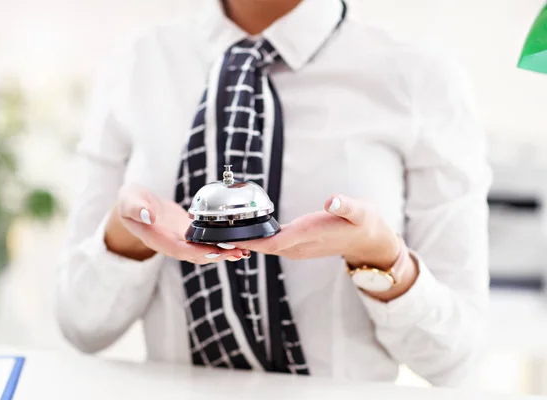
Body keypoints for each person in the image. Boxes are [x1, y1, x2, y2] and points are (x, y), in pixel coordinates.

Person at [56, 0, 491, 386]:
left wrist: (379, 257)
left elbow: (454, 359)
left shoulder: (421, 76)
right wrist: (127, 236)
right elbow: (81, 326)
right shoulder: (137, 61)